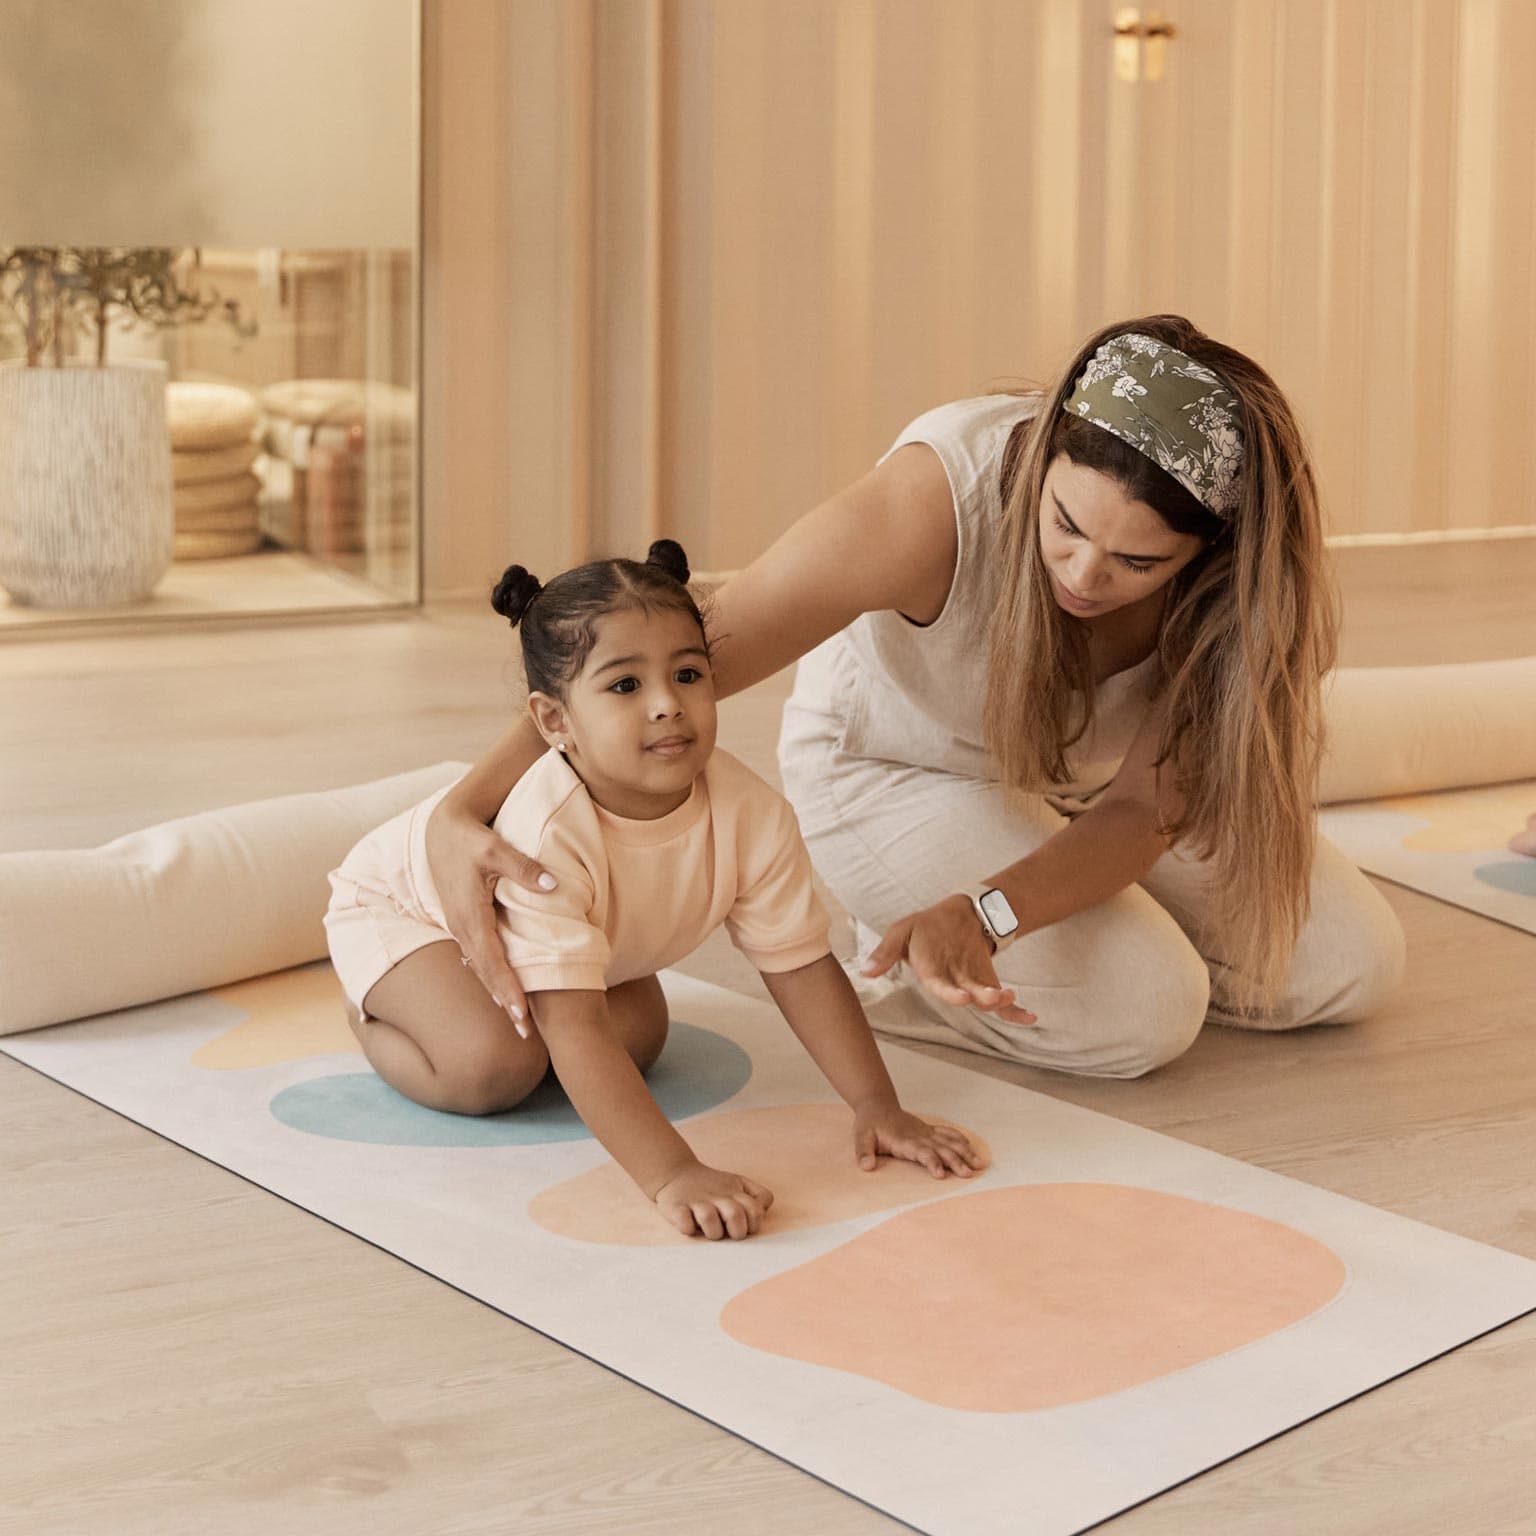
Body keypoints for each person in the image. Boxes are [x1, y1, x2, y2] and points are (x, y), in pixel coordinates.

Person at [426, 315, 1406, 1082]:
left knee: (1351, 966)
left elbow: (1145, 808)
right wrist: (465, 809)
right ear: (1044, 458)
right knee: (1145, 1013)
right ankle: (896, 968)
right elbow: (684, 650)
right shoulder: (936, 497)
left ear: (1209, 553)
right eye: (1065, 525)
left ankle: (1052, 912)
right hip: (891, 765)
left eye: (1137, 562)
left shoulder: (1246, 590)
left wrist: (992, 910)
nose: (1083, 574)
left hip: (1078, 786)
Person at [324, 540, 983, 1242]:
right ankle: (375, 1008)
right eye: (625, 686)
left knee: (639, 1038)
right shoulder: (546, 834)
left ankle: (512, 988)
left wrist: (878, 1105)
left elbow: (803, 968)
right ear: (554, 722)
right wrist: (672, 1173)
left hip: (574, 940)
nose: (668, 705)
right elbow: (574, 1027)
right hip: (407, 913)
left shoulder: (752, 814)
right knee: (494, 1067)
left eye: (688, 674)